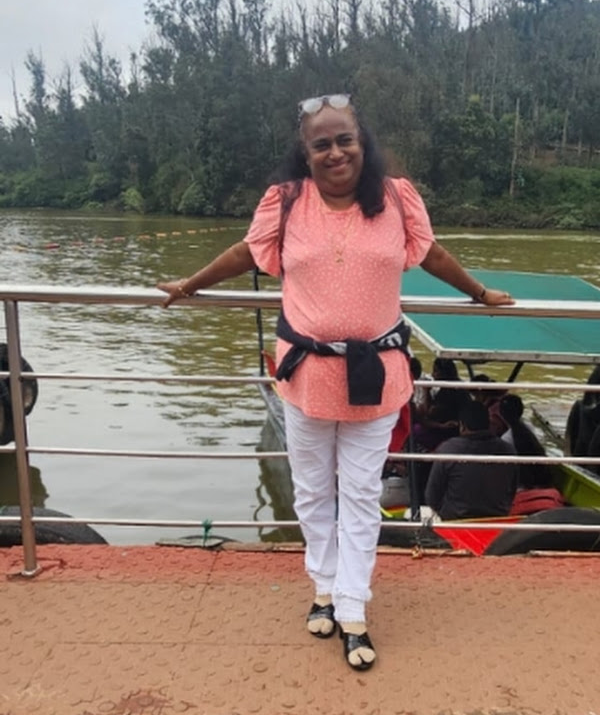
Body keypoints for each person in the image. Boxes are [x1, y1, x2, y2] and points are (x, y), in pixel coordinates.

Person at [157, 92, 513, 672]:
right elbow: (247, 252)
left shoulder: (396, 198)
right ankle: (322, 586)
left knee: (363, 494)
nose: (335, 152)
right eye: (321, 144)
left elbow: (431, 254)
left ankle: (352, 608)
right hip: (306, 376)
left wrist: (479, 293)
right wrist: (189, 285)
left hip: (376, 375)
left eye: (344, 139)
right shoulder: (285, 202)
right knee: (313, 491)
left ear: (362, 141)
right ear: (305, 152)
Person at [424, 399, 518, 521]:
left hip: (456, 520)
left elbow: (432, 498)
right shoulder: (509, 451)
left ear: (462, 426)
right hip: (496, 520)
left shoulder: (448, 449)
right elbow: (511, 491)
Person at [498, 394, 551, 489]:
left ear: (501, 415)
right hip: (541, 482)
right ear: (521, 411)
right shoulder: (533, 430)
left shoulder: (505, 439)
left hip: (522, 488)